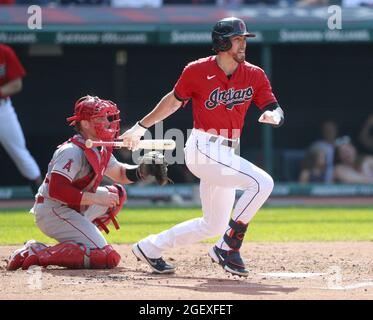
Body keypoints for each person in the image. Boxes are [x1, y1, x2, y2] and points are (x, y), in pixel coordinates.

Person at [121, 17, 284, 277]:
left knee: (213, 224)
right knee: (262, 183)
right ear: (221, 42)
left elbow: (272, 105)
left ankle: (149, 247)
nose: (243, 44)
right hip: (203, 148)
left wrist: (274, 115)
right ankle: (229, 247)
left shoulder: (254, 74)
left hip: (227, 152)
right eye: (237, 39)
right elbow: (173, 102)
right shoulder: (197, 70)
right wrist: (141, 127)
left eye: (244, 39)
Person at [6, 95, 169, 271]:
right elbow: (56, 190)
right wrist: (96, 198)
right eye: (100, 118)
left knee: (117, 194)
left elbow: (121, 174)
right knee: (107, 258)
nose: (107, 122)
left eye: (107, 117)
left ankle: (83, 242)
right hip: (53, 210)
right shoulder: (71, 151)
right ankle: (37, 252)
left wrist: (143, 170)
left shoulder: (99, 146)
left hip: (72, 207)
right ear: (84, 123)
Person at [0, 43, 42, 194]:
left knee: (19, 151)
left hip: (2, 108)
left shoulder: (4, 52)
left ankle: (41, 194)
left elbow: (17, 84)